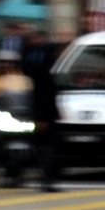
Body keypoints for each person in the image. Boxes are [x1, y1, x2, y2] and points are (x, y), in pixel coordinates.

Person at [19, 28, 65, 191]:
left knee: (46, 146)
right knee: (45, 147)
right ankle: (45, 179)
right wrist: (43, 116)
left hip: (46, 112)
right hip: (43, 113)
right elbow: (44, 94)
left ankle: (47, 178)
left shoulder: (42, 64)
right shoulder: (41, 67)